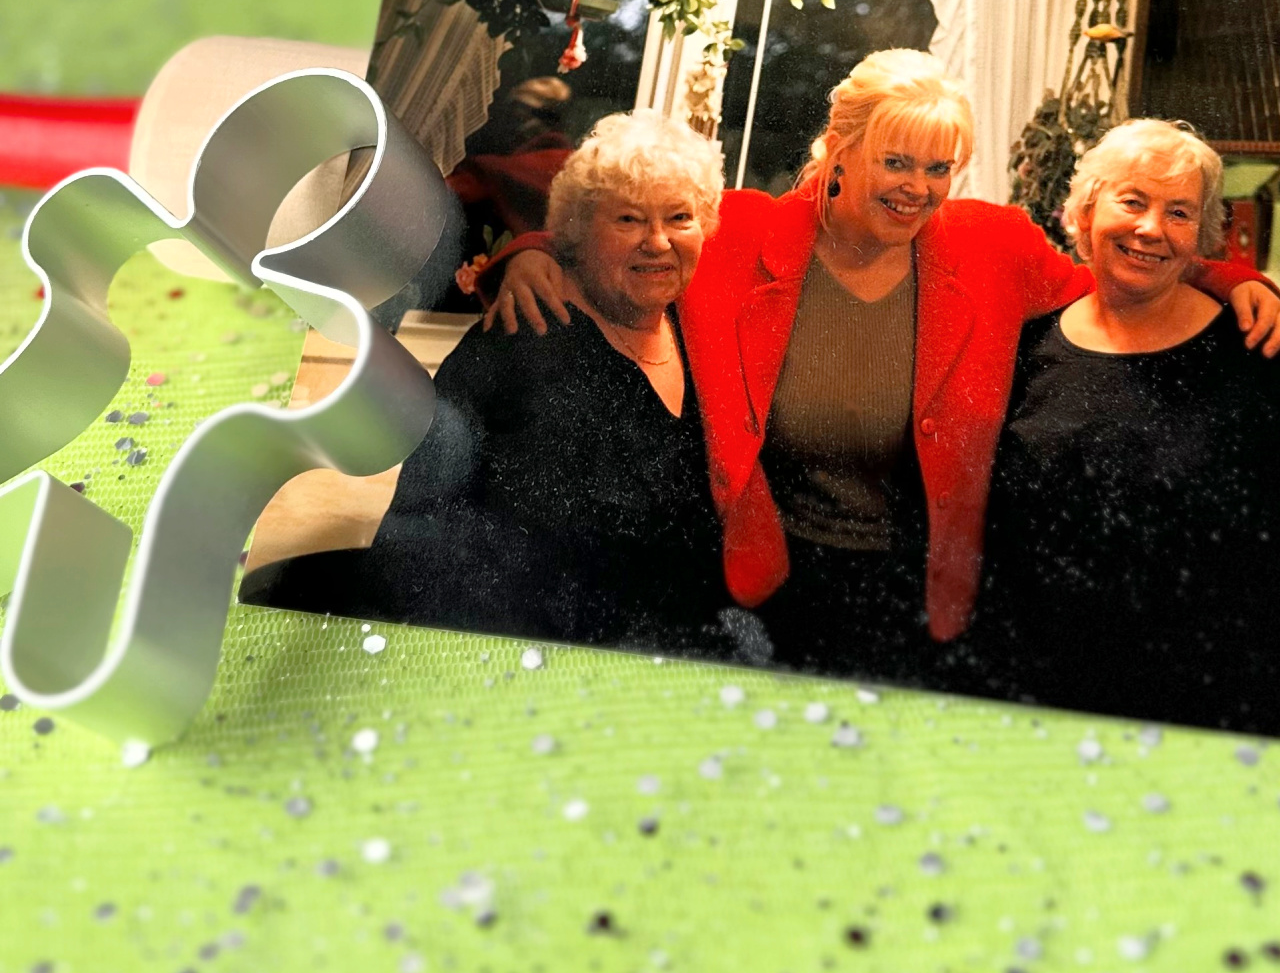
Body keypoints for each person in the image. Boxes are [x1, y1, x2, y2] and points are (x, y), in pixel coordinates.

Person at [485, 50, 1280, 679]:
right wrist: (525, 254)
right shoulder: (740, 240)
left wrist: (1228, 275)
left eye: (940, 169)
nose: (920, 189)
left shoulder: (993, 248)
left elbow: (1117, 278)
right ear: (841, 148)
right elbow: (625, 245)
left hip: (929, 599)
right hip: (767, 587)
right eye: (898, 162)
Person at [244, 109, 742, 659]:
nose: (657, 241)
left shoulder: (702, 336)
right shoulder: (520, 338)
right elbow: (424, 522)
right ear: (576, 231)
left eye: (679, 218)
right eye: (627, 220)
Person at [973, 120, 1280, 732]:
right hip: (1033, 692)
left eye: (1179, 213)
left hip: (1207, 703)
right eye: (1132, 201)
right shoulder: (1026, 344)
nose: (1151, 229)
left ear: (1200, 236)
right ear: (1084, 213)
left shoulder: (1255, 349)